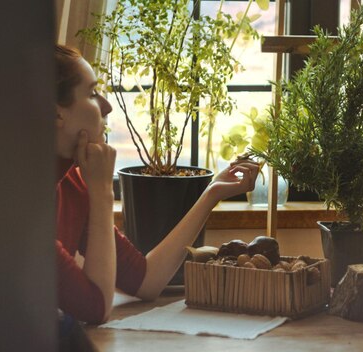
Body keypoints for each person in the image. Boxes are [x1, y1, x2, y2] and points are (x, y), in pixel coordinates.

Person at [55, 44, 259, 324]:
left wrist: (212, 193)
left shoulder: (72, 188)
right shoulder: (14, 209)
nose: (107, 105)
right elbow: (97, 308)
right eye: (92, 93)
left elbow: (146, 280)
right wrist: (102, 191)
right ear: (55, 113)